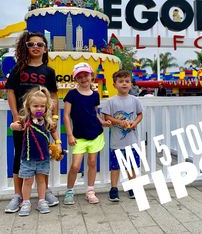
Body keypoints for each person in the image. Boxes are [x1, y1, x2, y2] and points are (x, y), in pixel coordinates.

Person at [5, 31, 59, 213]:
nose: (35, 47)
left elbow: (53, 96)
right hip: (23, 121)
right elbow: (10, 91)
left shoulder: (49, 72)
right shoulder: (18, 68)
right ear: (25, 47)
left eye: (39, 44)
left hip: (42, 122)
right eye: (31, 44)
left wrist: (54, 117)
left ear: (45, 49)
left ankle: (45, 193)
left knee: (42, 154)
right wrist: (15, 115)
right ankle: (18, 195)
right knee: (19, 155)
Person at [63, 62, 111, 205]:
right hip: (78, 136)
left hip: (95, 133)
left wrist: (102, 121)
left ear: (92, 76)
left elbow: (94, 112)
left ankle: (90, 191)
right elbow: (66, 116)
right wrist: (70, 135)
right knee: (75, 166)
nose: (83, 79)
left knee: (92, 162)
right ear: (75, 79)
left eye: (86, 75)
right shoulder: (71, 94)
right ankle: (69, 191)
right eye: (80, 76)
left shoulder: (95, 95)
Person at [10, 87, 62, 216]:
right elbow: (14, 125)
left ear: (46, 107)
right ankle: (26, 201)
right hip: (27, 158)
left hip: (43, 158)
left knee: (41, 180)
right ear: (28, 106)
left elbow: (54, 132)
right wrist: (13, 126)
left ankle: (42, 200)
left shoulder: (47, 121)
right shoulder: (24, 120)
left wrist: (58, 143)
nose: (39, 109)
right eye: (35, 106)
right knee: (27, 181)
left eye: (42, 106)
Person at [102, 70, 143, 201]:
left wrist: (134, 123)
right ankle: (114, 188)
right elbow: (107, 116)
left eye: (127, 81)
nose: (124, 84)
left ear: (131, 84)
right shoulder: (111, 101)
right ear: (114, 84)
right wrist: (120, 122)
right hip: (116, 142)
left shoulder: (135, 100)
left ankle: (132, 186)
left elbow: (140, 114)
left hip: (132, 141)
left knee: (131, 165)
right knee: (116, 167)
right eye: (120, 81)